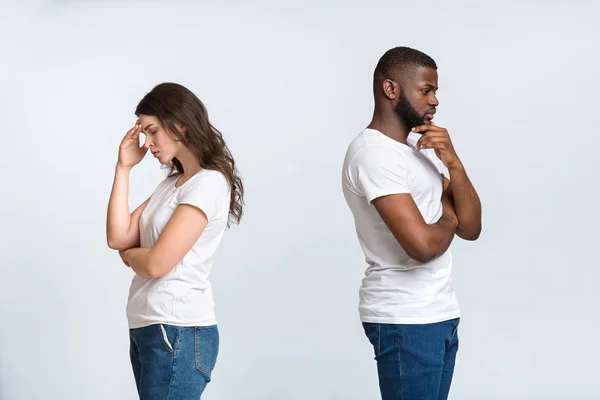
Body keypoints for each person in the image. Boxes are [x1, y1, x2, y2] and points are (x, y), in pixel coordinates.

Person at [341, 46, 482, 399]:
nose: (434, 101)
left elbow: (472, 227)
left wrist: (455, 165)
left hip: (438, 314)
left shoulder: (415, 154)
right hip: (405, 318)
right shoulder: (373, 154)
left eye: (435, 91)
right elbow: (423, 246)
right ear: (391, 89)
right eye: (426, 90)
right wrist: (448, 213)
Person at [106, 82, 243, 399]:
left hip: (177, 328)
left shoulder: (208, 184)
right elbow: (118, 237)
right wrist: (123, 168)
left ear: (180, 124)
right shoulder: (173, 183)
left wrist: (132, 255)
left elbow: (156, 263)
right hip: (150, 325)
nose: (148, 142)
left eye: (153, 131)